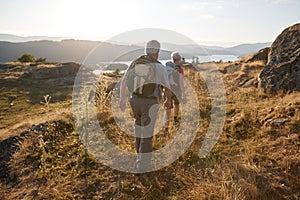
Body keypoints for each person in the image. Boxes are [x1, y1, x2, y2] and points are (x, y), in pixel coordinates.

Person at [119, 40, 171, 172]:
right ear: (157, 52)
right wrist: (167, 100)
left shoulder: (136, 62)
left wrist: (122, 99)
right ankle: (143, 165)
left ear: (146, 50)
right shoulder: (159, 66)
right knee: (147, 133)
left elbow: (124, 80)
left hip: (134, 100)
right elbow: (166, 86)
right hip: (150, 102)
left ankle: (139, 156)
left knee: (138, 127)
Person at [164, 52, 185, 133]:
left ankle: (166, 128)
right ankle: (175, 119)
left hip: (167, 90)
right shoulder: (179, 69)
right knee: (177, 104)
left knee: (168, 110)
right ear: (179, 59)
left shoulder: (167, 68)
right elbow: (181, 83)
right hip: (177, 90)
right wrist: (184, 94)